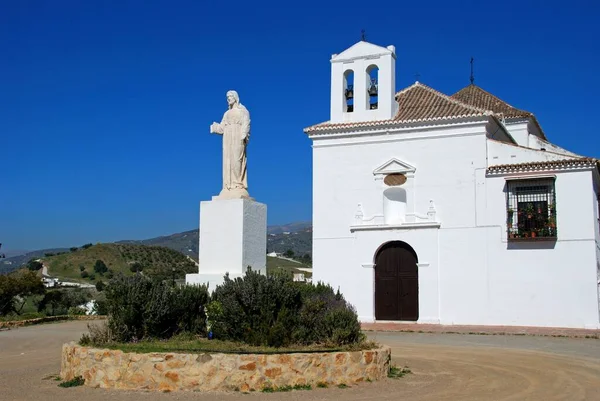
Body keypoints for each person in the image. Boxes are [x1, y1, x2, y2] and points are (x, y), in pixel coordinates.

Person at [210, 90, 251, 199]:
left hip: (238, 137)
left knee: (237, 159)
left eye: (230, 96)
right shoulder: (226, 113)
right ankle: (228, 185)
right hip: (227, 139)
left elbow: (246, 123)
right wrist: (215, 128)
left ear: (236, 97)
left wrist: (243, 135)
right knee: (228, 161)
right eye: (227, 97)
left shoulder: (243, 111)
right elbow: (222, 127)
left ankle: (238, 184)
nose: (228, 98)